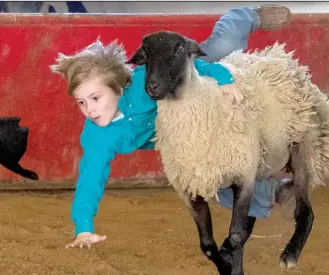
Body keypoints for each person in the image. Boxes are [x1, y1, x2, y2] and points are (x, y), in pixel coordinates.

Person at [50, 5, 294, 249]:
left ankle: (247, 15)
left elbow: (199, 68)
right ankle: (272, 191)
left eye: (95, 98)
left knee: (220, 48)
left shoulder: (141, 83)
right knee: (214, 171)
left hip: (187, 86)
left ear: (117, 89)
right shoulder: (97, 136)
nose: (89, 109)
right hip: (180, 133)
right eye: (81, 102)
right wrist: (83, 228)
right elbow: (90, 179)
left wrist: (224, 79)